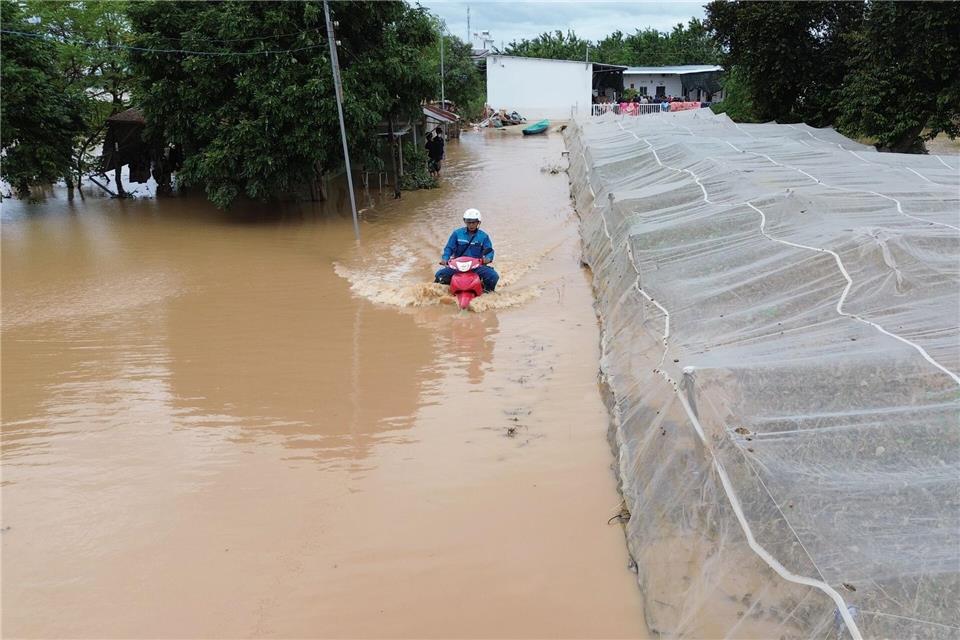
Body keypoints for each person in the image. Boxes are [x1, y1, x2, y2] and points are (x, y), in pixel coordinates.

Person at [435, 208, 499, 292]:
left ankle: (488, 292)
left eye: (474, 222)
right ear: (465, 221)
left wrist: (488, 258)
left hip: (476, 266)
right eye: (469, 222)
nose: (471, 225)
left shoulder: (484, 236)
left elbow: (489, 251)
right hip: (457, 266)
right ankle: (446, 291)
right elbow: (449, 248)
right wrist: (445, 259)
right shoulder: (457, 234)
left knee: (493, 276)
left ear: (478, 222)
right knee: (439, 275)